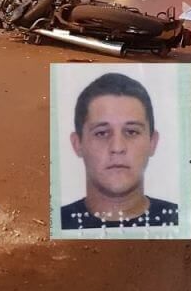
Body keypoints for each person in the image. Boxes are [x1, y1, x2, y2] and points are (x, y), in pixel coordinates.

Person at [60, 73, 178, 229]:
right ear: (77, 144)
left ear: (152, 142)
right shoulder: (59, 221)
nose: (117, 148)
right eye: (102, 133)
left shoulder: (177, 218)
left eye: (131, 132)